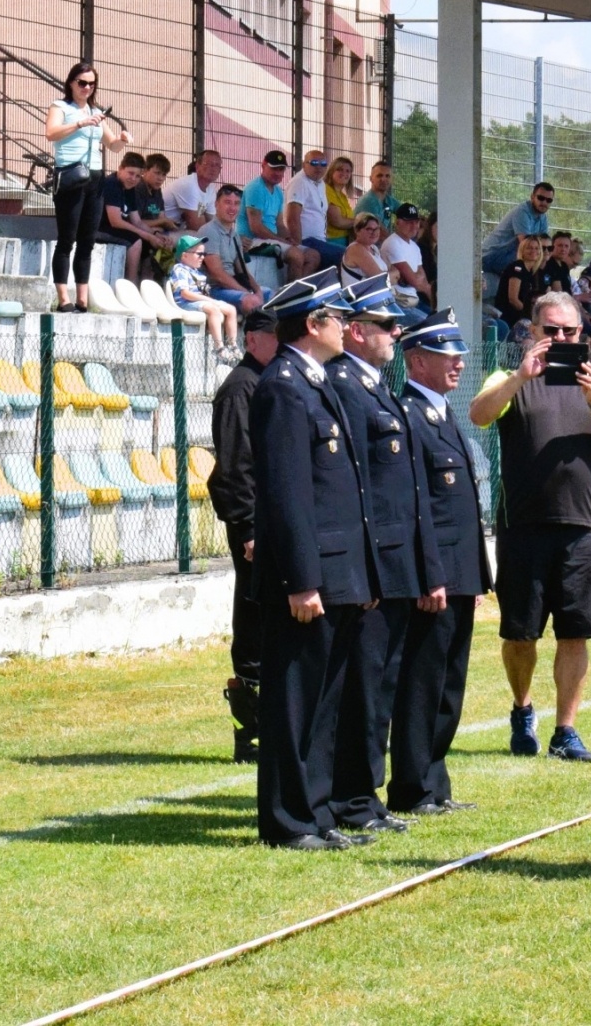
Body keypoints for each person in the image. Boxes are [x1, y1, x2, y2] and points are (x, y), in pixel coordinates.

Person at [248, 269, 376, 852]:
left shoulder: (315, 382)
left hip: (337, 571)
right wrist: (301, 580)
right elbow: (288, 495)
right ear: (312, 324)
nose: (347, 326)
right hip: (306, 577)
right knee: (296, 703)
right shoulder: (283, 387)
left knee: (325, 702)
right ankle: (288, 818)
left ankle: (316, 810)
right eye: (337, 318)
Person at [469, 291, 591, 763]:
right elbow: (478, 415)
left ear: (583, 335)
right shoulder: (509, 377)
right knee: (520, 635)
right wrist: (520, 377)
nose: (560, 339)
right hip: (523, 527)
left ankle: (565, 729)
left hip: (578, 528)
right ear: (532, 332)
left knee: (575, 633)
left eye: (570, 332)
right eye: (551, 331)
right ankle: (522, 710)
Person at [324, 273, 441, 832]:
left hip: (395, 558)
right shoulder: (346, 384)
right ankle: (353, 798)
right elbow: (361, 487)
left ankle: (362, 796)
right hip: (377, 559)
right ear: (355, 330)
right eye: (385, 324)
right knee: (365, 688)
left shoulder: (374, 383)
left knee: (382, 683)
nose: (396, 332)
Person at [388, 311, 492, 814]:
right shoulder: (410, 413)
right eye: (447, 356)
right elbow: (417, 507)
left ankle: (435, 782)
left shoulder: (439, 411)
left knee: (449, 681)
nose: (457, 364)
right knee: (424, 682)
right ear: (417, 360)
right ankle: (412, 786)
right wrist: (431, 574)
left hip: (460, 571)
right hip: (437, 575)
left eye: (459, 356)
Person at [208, 305, 280, 764]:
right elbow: (236, 465)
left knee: (267, 614)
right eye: (275, 336)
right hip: (252, 523)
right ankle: (248, 731)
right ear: (253, 340)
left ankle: (265, 721)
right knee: (252, 616)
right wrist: (249, 526)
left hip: (267, 519)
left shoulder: (266, 384)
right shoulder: (241, 388)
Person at [44, 62, 131, 312]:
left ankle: (82, 298)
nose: (87, 87)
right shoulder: (60, 107)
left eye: (91, 83)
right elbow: (51, 133)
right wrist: (81, 123)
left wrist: (122, 140)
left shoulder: (95, 111)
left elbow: (112, 144)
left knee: (87, 240)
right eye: (82, 82)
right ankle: (63, 298)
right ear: (71, 83)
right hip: (71, 176)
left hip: (94, 179)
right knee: (66, 239)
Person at [238, 149, 319, 282]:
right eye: (274, 168)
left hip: (270, 240)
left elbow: (280, 224)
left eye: (281, 169)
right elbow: (256, 227)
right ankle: (290, 298)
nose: (278, 173)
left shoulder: (278, 192)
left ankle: (296, 291)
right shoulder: (255, 188)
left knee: (313, 256)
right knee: (296, 256)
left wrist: (289, 238)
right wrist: (280, 240)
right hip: (252, 241)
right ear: (263, 165)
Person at [95, 151, 168, 285]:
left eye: (137, 176)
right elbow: (115, 221)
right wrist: (147, 236)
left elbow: (137, 221)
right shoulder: (112, 184)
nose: (133, 178)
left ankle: (153, 284)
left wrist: (155, 234)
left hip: (112, 228)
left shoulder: (130, 188)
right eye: (130, 173)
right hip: (97, 229)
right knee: (136, 241)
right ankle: (131, 283)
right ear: (120, 169)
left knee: (156, 242)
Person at [201, 184, 271, 316]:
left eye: (237, 203)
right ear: (216, 204)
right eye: (227, 202)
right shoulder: (209, 231)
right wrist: (247, 292)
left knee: (272, 296)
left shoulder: (234, 234)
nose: (232, 208)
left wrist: (257, 290)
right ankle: (255, 335)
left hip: (234, 287)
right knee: (251, 301)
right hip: (215, 290)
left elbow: (242, 270)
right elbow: (218, 275)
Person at [168, 235, 239, 363]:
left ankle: (232, 345)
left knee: (231, 309)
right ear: (184, 256)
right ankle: (219, 347)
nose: (203, 257)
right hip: (185, 304)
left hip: (199, 302)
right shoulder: (180, 269)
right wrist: (211, 301)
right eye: (199, 254)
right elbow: (185, 294)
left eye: (204, 254)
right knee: (213, 309)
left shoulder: (198, 273)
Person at [286, 148, 346, 270]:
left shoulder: (321, 183)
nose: (318, 167)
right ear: (304, 165)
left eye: (323, 164)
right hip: (306, 240)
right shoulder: (300, 182)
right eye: (313, 163)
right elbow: (292, 217)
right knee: (347, 255)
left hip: (320, 240)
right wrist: (299, 246)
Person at [481, 181, 553, 275]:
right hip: (493, 256)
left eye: (549, 200)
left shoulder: (543, 217)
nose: (544, 202)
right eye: (541, 198)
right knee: (531, 252)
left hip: (508, 256)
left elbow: (544, 243)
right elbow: (526, 244)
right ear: (532, 197)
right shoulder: (522, 212)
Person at [496, 234, 565, 328]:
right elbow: (513, 299)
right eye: (529, 248)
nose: (534, 251)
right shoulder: (518, 267)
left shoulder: (531, 271)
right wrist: (531, 316)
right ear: (522, 250)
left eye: (537, 248)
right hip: (509, 318)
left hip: (522, 318)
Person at [381, 203, 433, 312]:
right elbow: (415, 281)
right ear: (398, 222)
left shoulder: (415, 247)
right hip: (397, 302)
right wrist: (419, 282)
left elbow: (422, 278)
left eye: (416, 222)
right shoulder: (393, 243)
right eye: (409, 222)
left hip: (414, 300)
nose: (414, 226)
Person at [162, 149, 221, 232]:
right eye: (209, 164)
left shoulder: (211, 188)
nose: (213, 168)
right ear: (197, 167)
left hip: (177, 230)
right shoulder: (189, 185)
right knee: (202, 238)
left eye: (217, 165)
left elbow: (212, 221)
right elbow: (196, 225)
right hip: (161, 230)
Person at [137, 153, 181, 242]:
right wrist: (163, 222)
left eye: (164, 175)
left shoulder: (157, 191)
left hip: (157, 232)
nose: (160, 178)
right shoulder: (138, 189)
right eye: (157, 173)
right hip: (141, 234)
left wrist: (168, 224)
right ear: (145, 171)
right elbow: (136, 222)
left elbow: (161, 216)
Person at [340, 213, 391, 282]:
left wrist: (393, 274)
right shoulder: (355, 249)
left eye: (376, 229)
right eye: (369, 229)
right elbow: (381, 279)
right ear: (357, 231)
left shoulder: (374, 248)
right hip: (362, 292)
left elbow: (390, 270)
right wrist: (395, 274)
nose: (374, 233)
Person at [353, 159, 396, 231]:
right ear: (371, 179)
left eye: (387, 176)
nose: (383, 179)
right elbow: (379, 233)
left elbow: (407, 212)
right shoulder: (368, 201)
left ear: (392, 179)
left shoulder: (389, 200)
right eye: (379, 176)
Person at [322, 157, 355, 243]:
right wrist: (359, 220)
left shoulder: (342, 195)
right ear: (331, 172)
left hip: (345, 240)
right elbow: (337, 221)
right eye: (340, 169)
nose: (344, 173)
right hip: (331, 240)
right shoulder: (326, 190)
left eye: (348, 171)